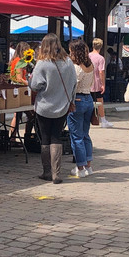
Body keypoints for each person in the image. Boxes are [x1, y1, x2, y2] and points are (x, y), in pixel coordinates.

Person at [28, 33, 76, 185]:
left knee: (45, 138)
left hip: (44, 106)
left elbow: (35, 85)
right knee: (56, 136)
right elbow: (74, 83)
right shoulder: (68, 62)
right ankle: (57, 173)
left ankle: (47, 172)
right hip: (62, 105)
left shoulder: (42, 63)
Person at [66, 38, 95, 178]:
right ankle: (88, 165)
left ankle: (80, 167)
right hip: (88, 98)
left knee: (76, 136)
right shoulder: (90, 65)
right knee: (85, 135)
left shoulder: (76, 68)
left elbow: (73, 86)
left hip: (77, 99)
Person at [89, 38, 112, 128]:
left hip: (87, 82)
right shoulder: (101, 58)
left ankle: (88, 119)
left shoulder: (88, 56)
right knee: (100, 101)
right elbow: (101, 72)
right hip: (96, 82)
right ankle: (103, 120)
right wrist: (103, 84)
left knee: (88, 101)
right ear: (101, 47)